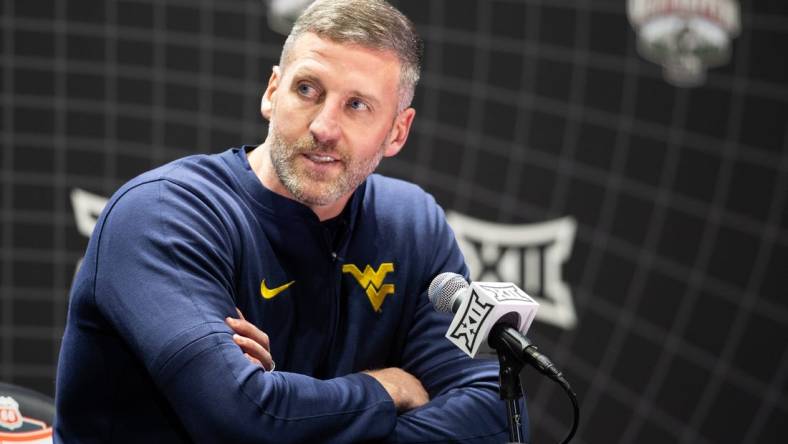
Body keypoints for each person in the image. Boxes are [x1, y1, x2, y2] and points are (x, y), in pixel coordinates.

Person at [54, 0, 528, 442]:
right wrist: (385, 390)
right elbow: (238, 417)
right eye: (307, 90)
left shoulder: (412, 224)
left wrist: (297, 419)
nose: (324, 126)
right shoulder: (162, 215)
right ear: (272, 91)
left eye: (357, 105)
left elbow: (496, 409)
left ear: (397, 132)